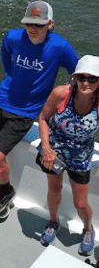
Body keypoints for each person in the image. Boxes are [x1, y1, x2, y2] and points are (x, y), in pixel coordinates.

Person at [0, 1, 78, 217]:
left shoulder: (60, 47)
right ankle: (1, 183)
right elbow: (5, 53)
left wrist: (66, 95)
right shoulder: (13, 37)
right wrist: (10, 75)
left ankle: (5, 192)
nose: (33, 29)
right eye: (29, 24)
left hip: (25, 111)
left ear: (51, 24)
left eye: (40, 25)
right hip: (0, 99)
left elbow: (77, 73)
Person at [37, 55, 99, 256]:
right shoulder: (60, 94)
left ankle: (88, 229)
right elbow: (44, 118)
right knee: (53, 188)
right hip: (54, 153)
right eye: (82, 78)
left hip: (81, 157)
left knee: (80, 202)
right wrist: (46, 147)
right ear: (74, 78)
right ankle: (53, 222)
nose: (86, 83)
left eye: (92, 79)